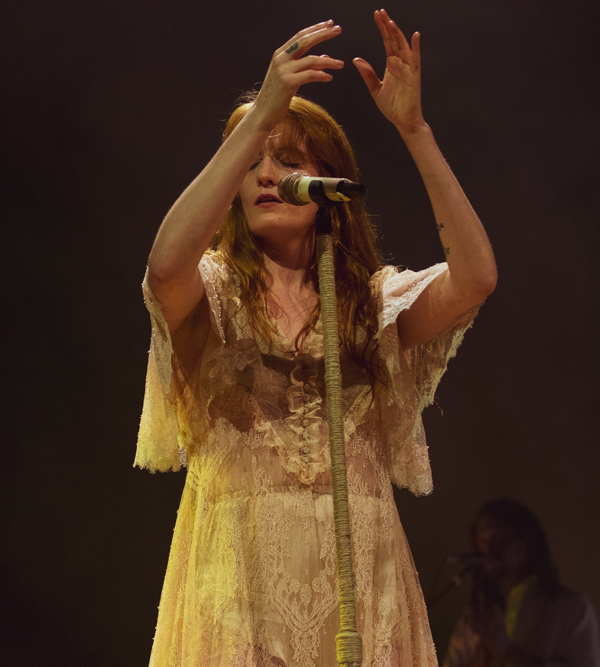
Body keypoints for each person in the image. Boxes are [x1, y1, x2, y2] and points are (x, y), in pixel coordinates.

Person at [136, 11, 497, 667]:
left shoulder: (371, 303)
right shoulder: (213, 291)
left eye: (288, 160)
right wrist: (258, 118)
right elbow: (163, 268)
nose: (265, 174)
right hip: (239, 590)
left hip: (362, 584)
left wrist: (415, 132)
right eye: (253, 161)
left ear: (329, 183)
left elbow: (476, 278)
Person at [443, 499, 600, 667]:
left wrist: (505, 650)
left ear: (527, 540)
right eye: (482, 540)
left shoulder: (572, 610)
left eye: (500, 537)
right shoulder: (475, 618)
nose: (489, 548)